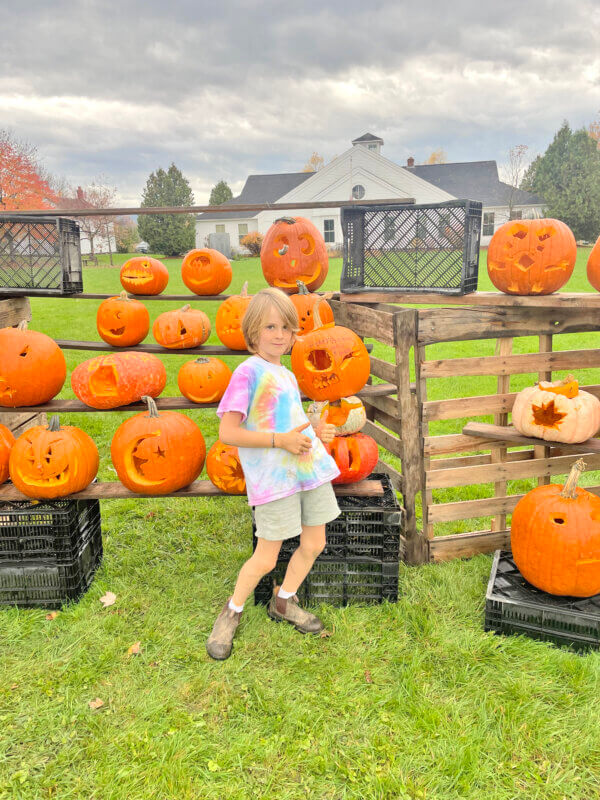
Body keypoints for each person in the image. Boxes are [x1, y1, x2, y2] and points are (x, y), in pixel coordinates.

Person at [206, 287, 340, 660]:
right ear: (252, 332)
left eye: (285, 327)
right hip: (274, 478)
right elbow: (228, 433)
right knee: (266, 557)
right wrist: (279, 441)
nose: (279, 334)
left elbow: (294, 425)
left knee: (314, 544)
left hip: (307, 471)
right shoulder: (248, 373)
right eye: (270, 327)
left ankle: (283, 602)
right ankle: (231, 612)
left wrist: (317, 432)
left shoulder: (288, 375)